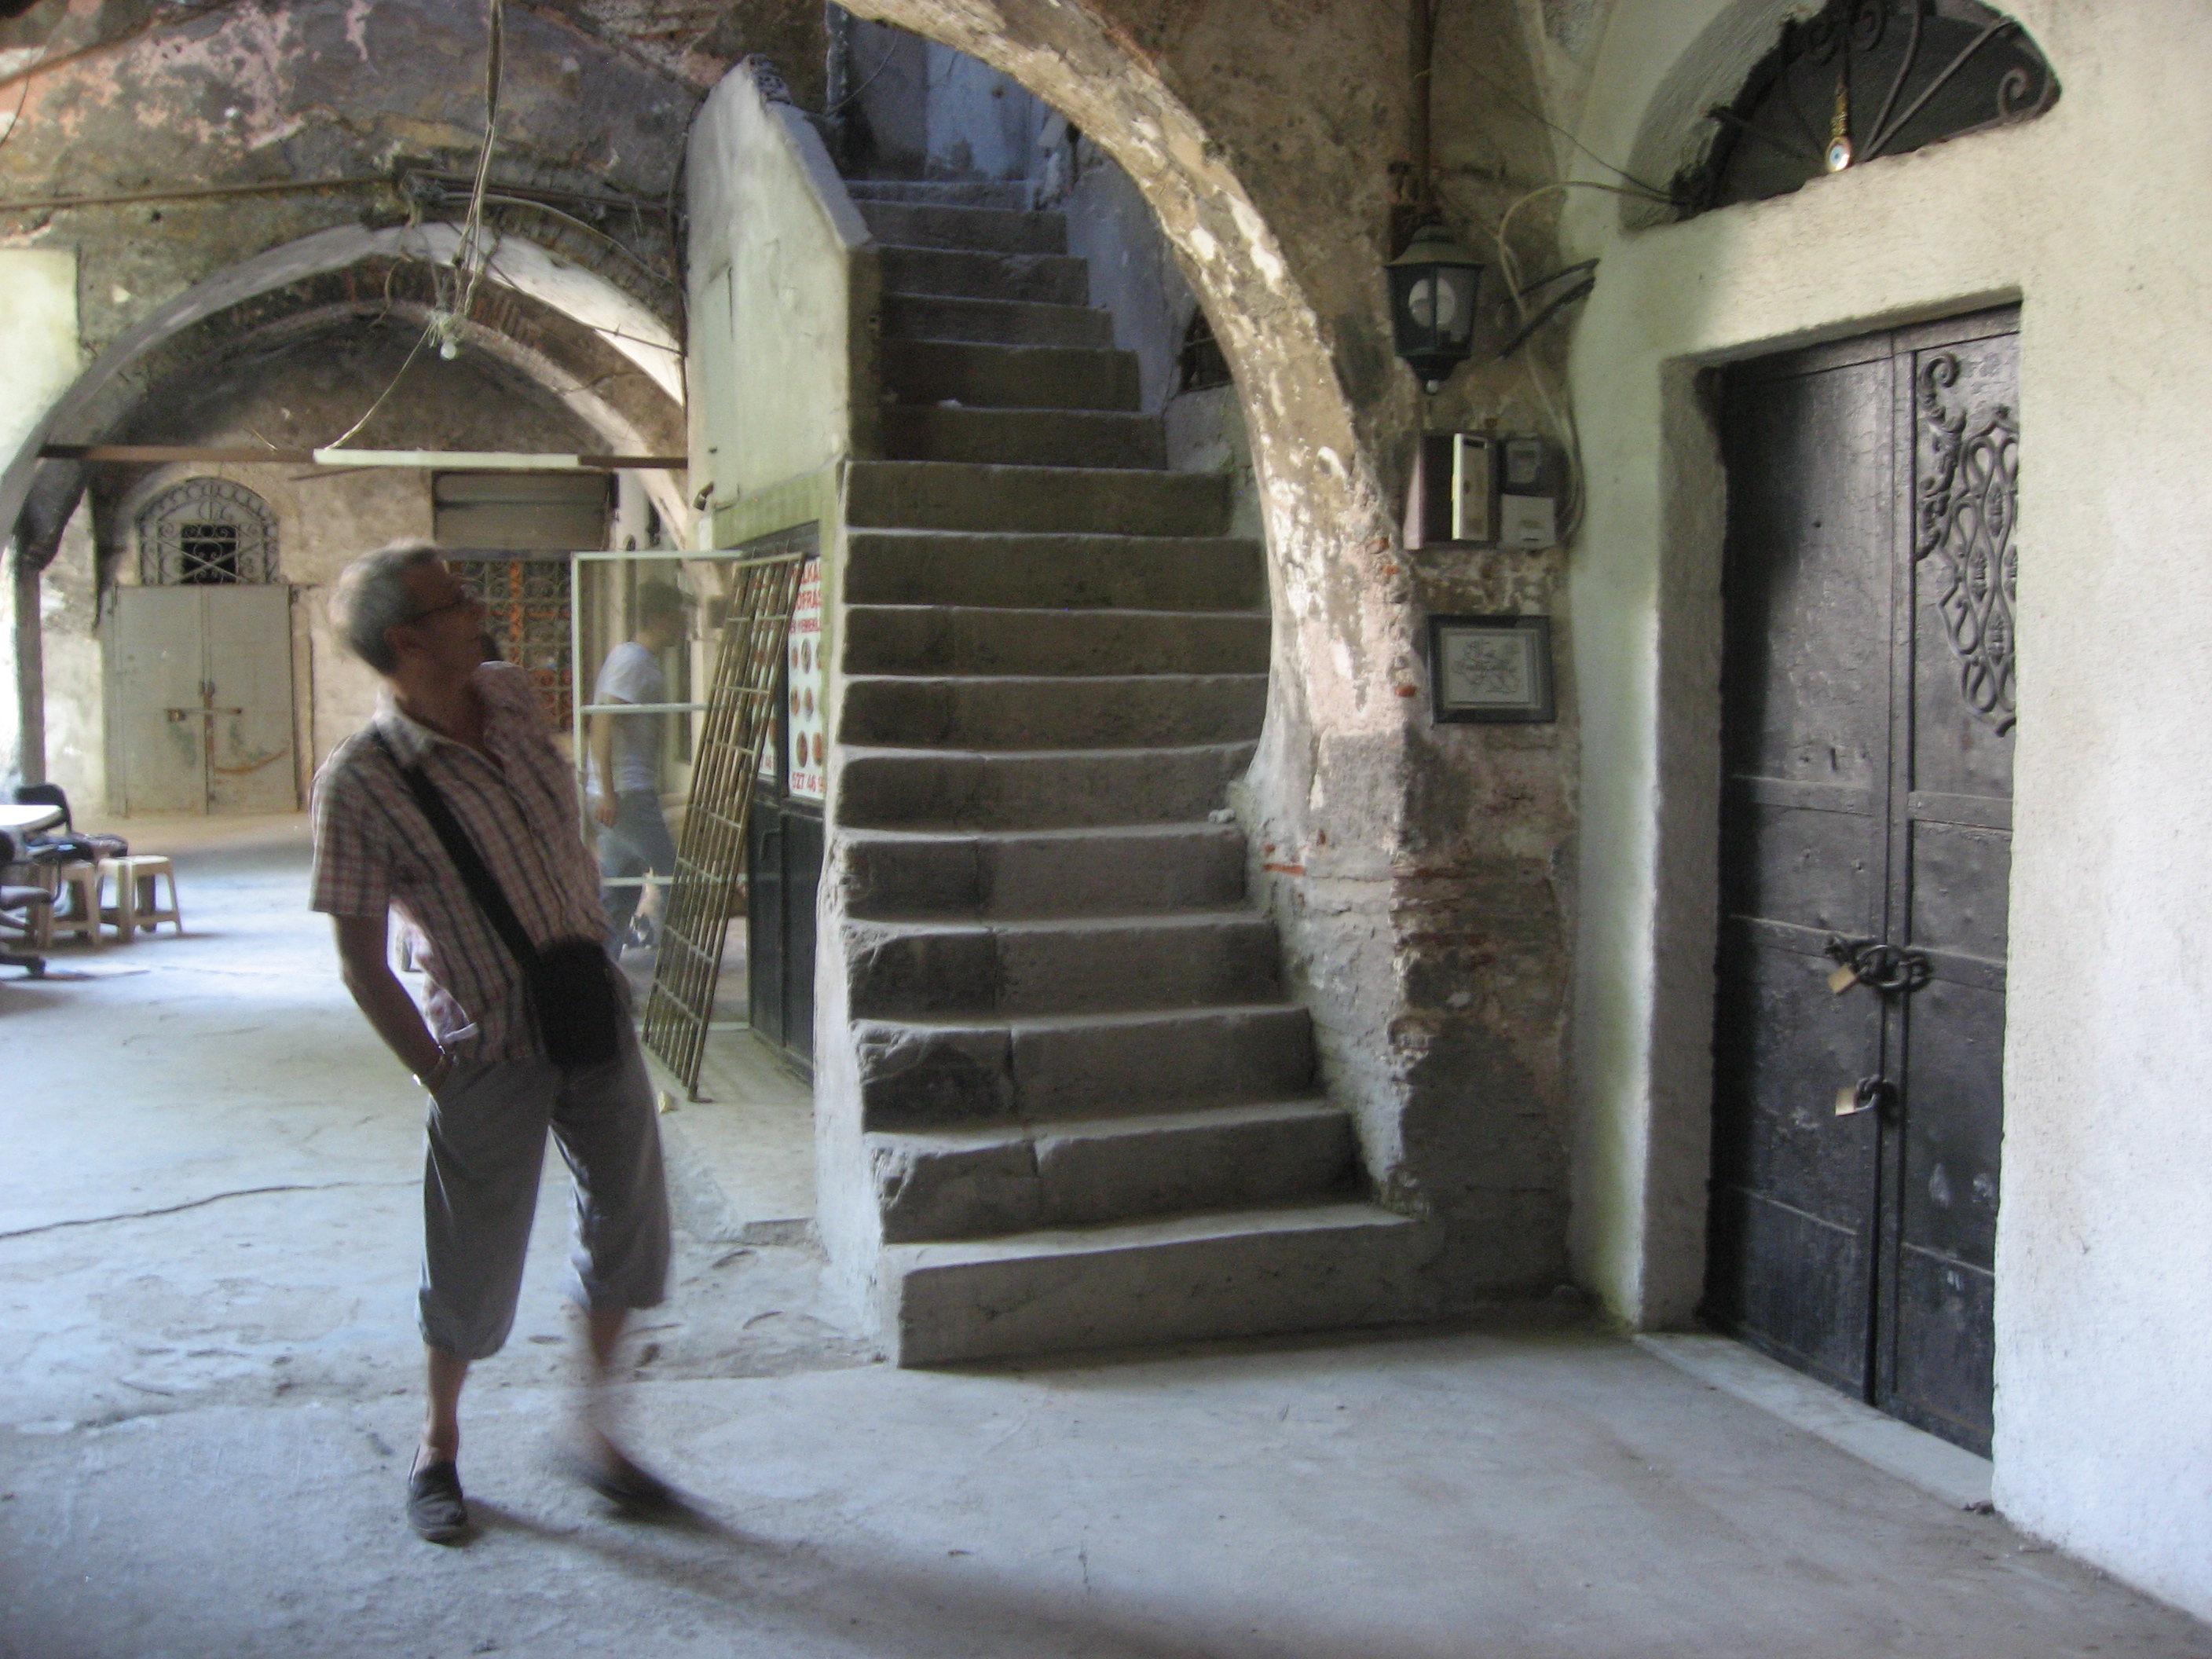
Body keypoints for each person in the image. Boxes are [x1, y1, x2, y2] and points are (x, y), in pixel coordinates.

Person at [310, 542, 674, 1544]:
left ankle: (596, 1431)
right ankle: (438, 1444)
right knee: (471, 1259)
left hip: (588, 1010)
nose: (479, 612)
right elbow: (361, 962)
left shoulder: (510, 695)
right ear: (405, 641)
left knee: (629, 1223)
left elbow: (559, 830)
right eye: (455, 603)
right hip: (487, 1046)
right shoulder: (361, 783)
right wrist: (438, 1070)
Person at [591, 581, 687, 955]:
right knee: (675, 880)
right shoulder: (632, 662)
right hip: (628, 794)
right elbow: (602, 723)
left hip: (626, 792)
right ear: (659, 618)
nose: (683, 626)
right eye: (678, 617)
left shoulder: (639, 660)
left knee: (619, 892)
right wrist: (608, 791)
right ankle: (683, 965)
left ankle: (602, 968)